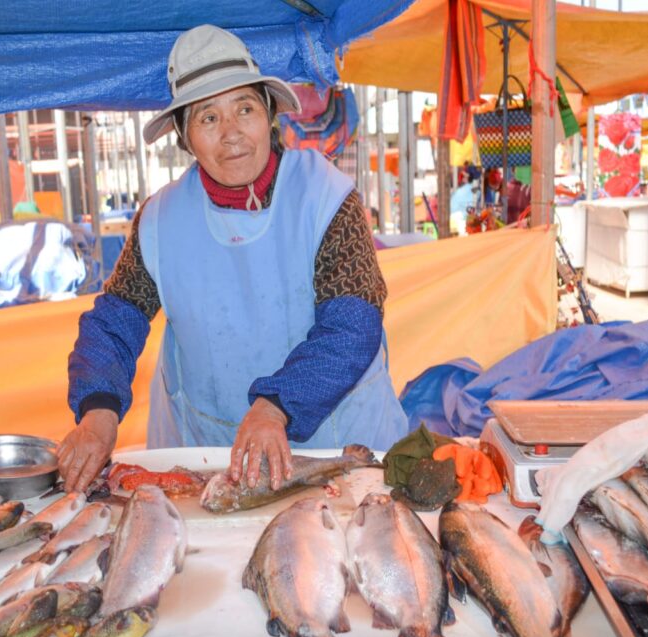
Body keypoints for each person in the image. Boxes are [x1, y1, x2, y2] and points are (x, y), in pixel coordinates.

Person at [60, 25, 408, 493]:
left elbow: (352, 325)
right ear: (185, 137)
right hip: (211, 455)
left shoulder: (324, 196)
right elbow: (114, 323)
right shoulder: (161, 219)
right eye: (208, 118)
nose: (231, 135)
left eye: (245, 109)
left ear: (269, 114)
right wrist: (98, 410)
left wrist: (275, 406)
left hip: (339, 449)